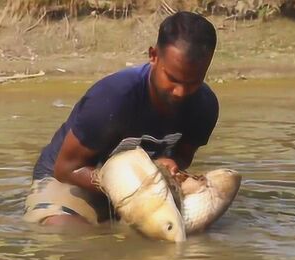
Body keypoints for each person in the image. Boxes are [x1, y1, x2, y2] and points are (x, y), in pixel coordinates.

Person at [24, 11, 219, 226]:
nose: (180, 92)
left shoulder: (204, 107)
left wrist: (167, 168)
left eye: (193, 82)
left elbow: (182, 156)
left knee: (192, 232)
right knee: (67, 234)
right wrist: (130, 186)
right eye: (172, 79)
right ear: (153, 56)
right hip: (72, 178)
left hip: (145, 186)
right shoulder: (112, 98)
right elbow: (66, 168)